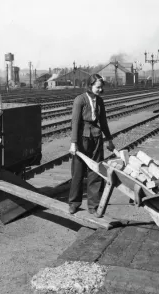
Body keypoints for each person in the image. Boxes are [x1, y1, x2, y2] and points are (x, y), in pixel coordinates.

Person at [68, 74, 115, 215]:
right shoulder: (79, 100)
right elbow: (75, 123)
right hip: (82, 139)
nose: (100, 90)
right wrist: (73, 143)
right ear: (90, 86)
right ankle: (74, 203)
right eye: (97, 87)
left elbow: (104, 122)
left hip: (96, 138)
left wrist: (109, 140)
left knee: (95, 171)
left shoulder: (100, 101)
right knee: (78, 172)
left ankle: (93, 205)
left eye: (101, 87)